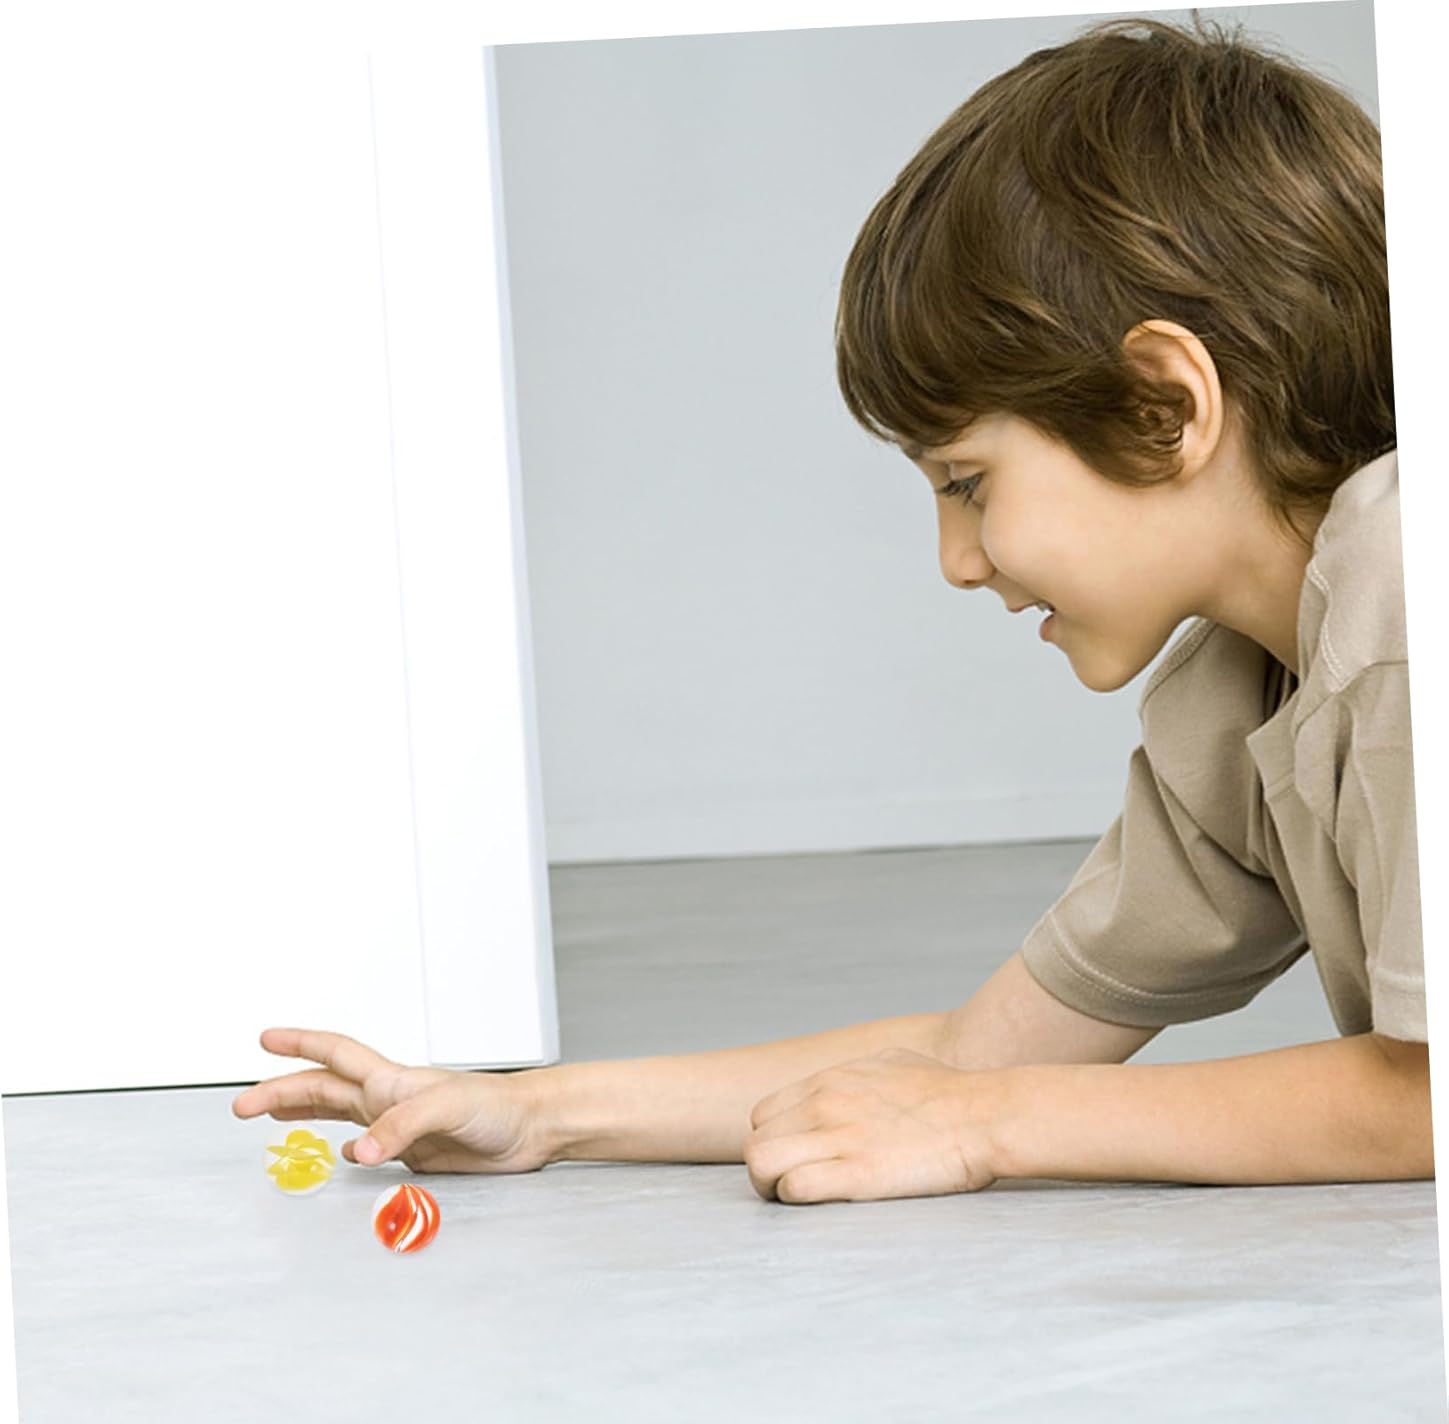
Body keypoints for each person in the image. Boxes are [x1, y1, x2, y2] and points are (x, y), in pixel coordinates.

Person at [233, 15, 1432, 1202]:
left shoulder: (1408, 591)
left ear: (1166, 407)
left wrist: (993, 1128)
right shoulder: (1238, 698)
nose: (957, 561)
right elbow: (970, 1056)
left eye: (967, 484)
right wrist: (535, 1111)